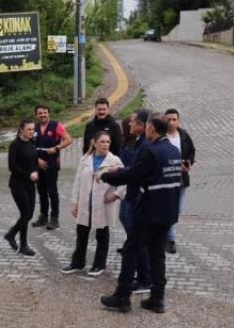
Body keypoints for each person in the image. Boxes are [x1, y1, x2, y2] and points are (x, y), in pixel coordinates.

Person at [97, 114, 182, 313]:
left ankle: (122, 297)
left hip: (149, 212)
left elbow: (132, 175)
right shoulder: (173, 150)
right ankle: (157, 299)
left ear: (152, 129)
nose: (145, 131)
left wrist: (106, 175)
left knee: (131, 251)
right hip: (168, 213)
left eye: (147, 128)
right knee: (157, 255)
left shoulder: (151, 151)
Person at [62, 131, 124, 276]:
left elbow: (125, 181)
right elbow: (77, 182)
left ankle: (99, 264)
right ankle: (78, 263)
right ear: (94, 143)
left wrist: (115, 195)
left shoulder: (114, 161)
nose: (105, 145)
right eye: (102, 141)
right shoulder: (85, 159)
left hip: (103, 205)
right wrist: (75, 202)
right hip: (85, 204)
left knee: (102, 235)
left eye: (108, 142)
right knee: (81, 234)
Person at [114, 109, 153, 293]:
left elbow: (136, 172)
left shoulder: (145, 145)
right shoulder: (139, 142)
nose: (129, 125)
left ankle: (145, 278)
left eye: (132, 122)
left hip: (138, 198)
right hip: (132, 194)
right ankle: (143, 274)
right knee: (134, 237)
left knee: (138, 240)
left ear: (142, 125)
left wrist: (114, 175)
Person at [31, 105, 72, 230]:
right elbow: (29, 145)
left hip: (52, 164)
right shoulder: (34, 128)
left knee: (52, 191)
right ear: (36, 115)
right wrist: (37, 160)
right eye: (40, 113)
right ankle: (43, 217)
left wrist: (57, 148)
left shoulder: (56, 126)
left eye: (45, 112)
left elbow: (68, 139)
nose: (43, 115)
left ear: (49, 113)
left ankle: (55, 219)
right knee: (41, 191)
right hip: (38, 164)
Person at [4, 118, 39, 257]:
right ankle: (23, 245)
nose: (31, 132)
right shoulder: (15, 145)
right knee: (25, 214)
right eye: (29, 129)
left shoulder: (31, 142)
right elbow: (12, 167)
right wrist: (28, 175)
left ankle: (11, 234)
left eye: (33, 129)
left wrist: (36, 171)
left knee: (29, 214)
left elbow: (35, 160)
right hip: (18, 184)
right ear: (21, 130)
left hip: (31, 183)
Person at [164, 108, 196, 254]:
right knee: (168, 209)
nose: (171, 122)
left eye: (174, 119)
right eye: (168, 119)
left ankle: (166, 235)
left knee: (176, 210)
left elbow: (191, 151)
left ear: (178, 120)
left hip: (181, 179)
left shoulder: (183, 135)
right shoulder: (161, 137)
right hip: (165, 180)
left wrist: (188, 163)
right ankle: (170, 239)